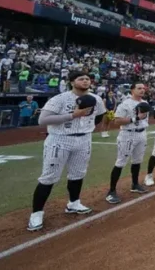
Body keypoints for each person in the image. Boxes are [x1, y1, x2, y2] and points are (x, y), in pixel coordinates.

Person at [27, 72, 106, 231]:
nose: (85, 81)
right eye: (81, 79)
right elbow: (42, 120)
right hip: (60, 139)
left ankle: (73, 203)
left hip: (84, 139)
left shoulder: (96, 99)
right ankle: (36, 213)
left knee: (78, 173)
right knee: (49, 176)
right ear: (72, 82)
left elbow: (99, 115)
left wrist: (87, 126)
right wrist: (72, 115)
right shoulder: (59, 99)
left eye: (87, 79)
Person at [105, 82, 151, 205]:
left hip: (141, 134)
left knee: (137, 161)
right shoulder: (125, 104)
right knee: (120, 162)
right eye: (139, 88)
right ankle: (111, 191)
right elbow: (116, 121)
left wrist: (140, 120)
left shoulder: (145, 103)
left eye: (143, 88)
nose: (142, 90)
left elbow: (145, 119)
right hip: (128, 134)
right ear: (132, 90)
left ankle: (135, 184)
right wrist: (135, 118)